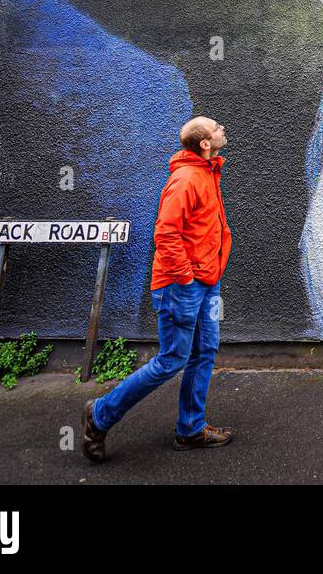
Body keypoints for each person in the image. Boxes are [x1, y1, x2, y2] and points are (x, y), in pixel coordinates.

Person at [81, 116, 233, 462]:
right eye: (215, 127)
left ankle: (191, 429)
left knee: (204, 351)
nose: (222, 127)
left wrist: (207, 273)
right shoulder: (186, 179)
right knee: (172, 359)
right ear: (205, 143)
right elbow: (166, 234)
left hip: (206, 281)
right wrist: (185, 277)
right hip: (184, 285)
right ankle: (99, 414)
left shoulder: (208, 171)